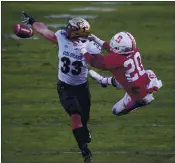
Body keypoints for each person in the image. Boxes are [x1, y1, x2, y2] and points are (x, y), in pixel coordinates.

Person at [21, 12, 102, 162]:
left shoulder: (90, 45)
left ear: (79, 32)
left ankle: (84, 132)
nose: (67, 30)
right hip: (65, 87)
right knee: (75, 117)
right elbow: (45, 31)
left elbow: (100, 63)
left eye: (71, 28)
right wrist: (33, 21)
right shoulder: (62, 37)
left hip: (82, 87)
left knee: (84, 119)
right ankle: (85, 153)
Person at [76, 32, 162, 115]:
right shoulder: (135, 50)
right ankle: (103, 81)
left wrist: (82, 49)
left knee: (116, 111)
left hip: (136, 93)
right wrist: (97, 40)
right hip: (143, 82)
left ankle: (139, 103)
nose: (112, 46)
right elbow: (114, 50)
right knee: (123, 74)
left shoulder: (117, 60)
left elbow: (95, 63)